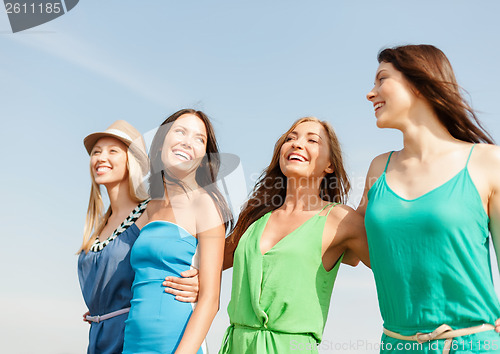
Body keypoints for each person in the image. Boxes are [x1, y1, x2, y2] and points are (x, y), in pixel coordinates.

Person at [360, 44, 500, 353]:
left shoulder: (489, 162)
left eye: (382, 79)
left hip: (474, 344)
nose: (371, 93)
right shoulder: (377, 169)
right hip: (396, 345)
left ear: (420, 83)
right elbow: (353, 240)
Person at [220, 117, 370, 353]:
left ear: (329, 164)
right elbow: (209, 264)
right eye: (290, 138)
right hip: (237, 345)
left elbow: (391, 271)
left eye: (312, 140)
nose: (297, 144)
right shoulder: (255, 215)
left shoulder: (340, 219)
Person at [77, 120, 199, 354]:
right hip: (98, 340)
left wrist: (200, 277)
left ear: (132, 161)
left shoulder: (151, 211)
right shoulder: (98, 226)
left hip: (134, 337)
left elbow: (200, 243)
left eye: (113, 151)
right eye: (96, 152)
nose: (101, 158)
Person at [122, 109, 232, 353]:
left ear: (204, 157)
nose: (187, 141)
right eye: (180, 131)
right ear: (161, 144)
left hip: (176, 344)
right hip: (132, 342)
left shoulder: (205, 204)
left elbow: (210, 301)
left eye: (199, 139)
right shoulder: (148, 207)